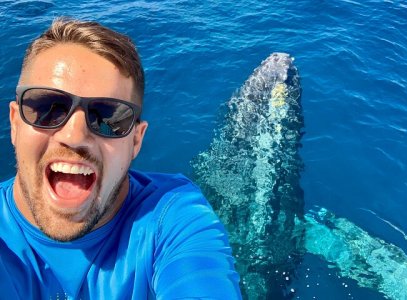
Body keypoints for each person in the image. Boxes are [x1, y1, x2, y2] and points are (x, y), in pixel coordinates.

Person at [0, 17, 242, 299]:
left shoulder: (172, 218)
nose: (74, 136)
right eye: (47, 108)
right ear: (15, 123)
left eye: (107, 117)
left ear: (136, 141)